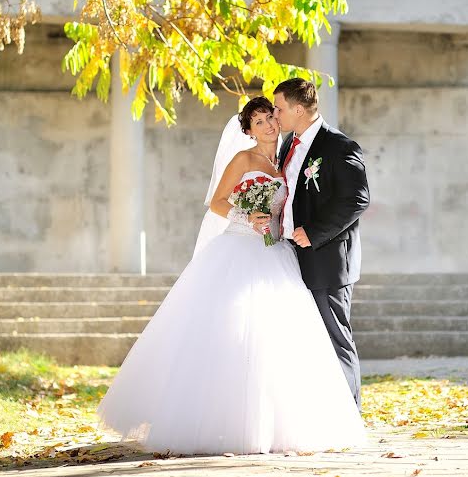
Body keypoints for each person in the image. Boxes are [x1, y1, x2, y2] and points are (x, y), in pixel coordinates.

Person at [96, 97, 367, 455]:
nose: (269, 125)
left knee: (279, 339)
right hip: (240, 249)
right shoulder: (244, 159)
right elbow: (218, 201)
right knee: (233, 333)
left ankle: (284, 424)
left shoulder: (288, 157)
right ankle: (223, 422)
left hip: (279, 254)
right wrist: (246, 212)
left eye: (271, 117)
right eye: (258, 123)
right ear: (248, 131)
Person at [273, 78, 370, 408]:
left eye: (280, 108)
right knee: (303, 341)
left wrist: (314, 232)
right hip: (290, 258)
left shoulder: (339, 146)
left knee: (334, 338)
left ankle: (349, 414)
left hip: (326, 259)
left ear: (298, 110)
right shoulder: (288, 144)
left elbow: (357, 199)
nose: (275, 114)